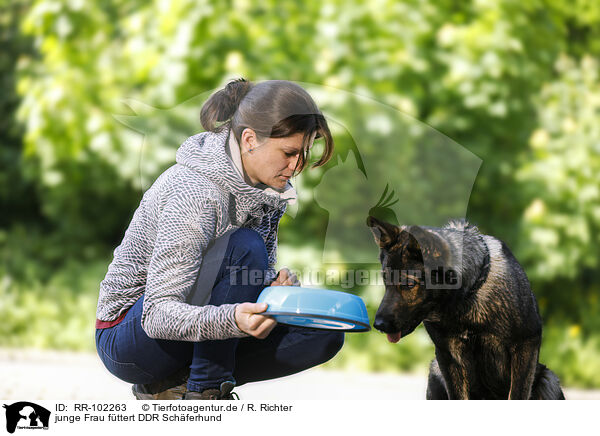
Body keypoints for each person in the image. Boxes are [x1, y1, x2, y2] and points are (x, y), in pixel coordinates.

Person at [94, 78, 344, 400]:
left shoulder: (266, 191)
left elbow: (234, 284)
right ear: (250, 139)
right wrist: (234, 320)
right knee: (244, 247)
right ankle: (207, 391)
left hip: (193, 330)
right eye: (289, 153)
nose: (296, 167)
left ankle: (175, 384)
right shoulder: (196, 192)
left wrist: (273, 290)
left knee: (324, 335)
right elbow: (158, 315)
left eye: (303, 154)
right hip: (130, 339)